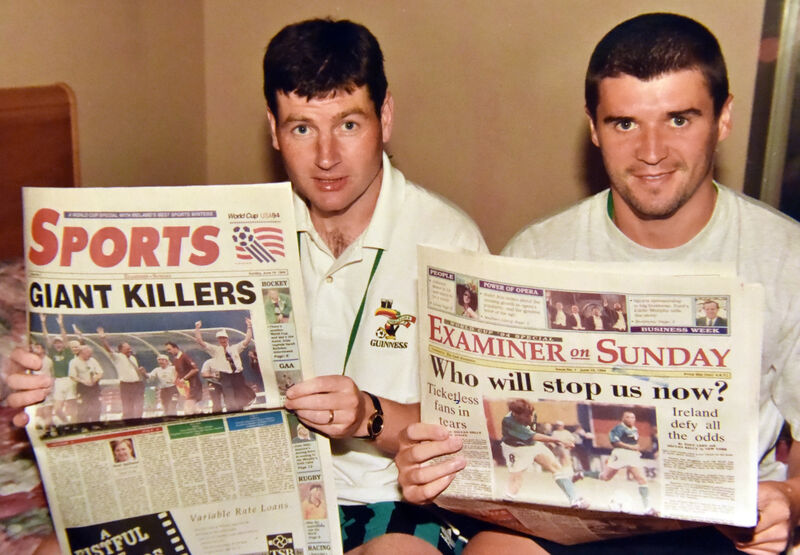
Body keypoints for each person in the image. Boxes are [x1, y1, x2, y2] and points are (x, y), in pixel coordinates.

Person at [397, 12, 800, 555]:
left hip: (718, 529)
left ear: (723, 119)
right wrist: (433, 460)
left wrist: (790, 500)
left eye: (679, 119)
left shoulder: (784, 256)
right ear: (593, 127)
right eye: (625, 123)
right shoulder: (537, 251)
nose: (651, 151)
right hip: (567, 520)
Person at [264, 18, 489, 554]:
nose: (325, 157)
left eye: (347, 125)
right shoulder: (246, 232)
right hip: (269, 494)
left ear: (384, 117)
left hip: (393, 499)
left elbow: (475, 426)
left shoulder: (448, 241)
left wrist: (369, 415)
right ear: (272, 129)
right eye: (301, 128)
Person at [499, 399, 587, 508]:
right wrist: (559, 440)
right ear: (515, 414)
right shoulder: (508, 422)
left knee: (556, 468)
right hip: (515, 450)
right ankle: (507, 501)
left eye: (530, 415)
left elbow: (534, 435)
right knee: (516, 481)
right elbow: (534, 436)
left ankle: (574, 500)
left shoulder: (531, 413)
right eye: (526, 416)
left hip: (533, 445)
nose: (530, 418)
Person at [576, 411, 656, 515]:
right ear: (623, 419)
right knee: (605, 477)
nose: (631, 419)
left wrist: (635, 449)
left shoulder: (634, 429)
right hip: (620, 455)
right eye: (628, 417)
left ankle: (647, 508)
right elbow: (614, 442)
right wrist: (630, 447)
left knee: (642, 479)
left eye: (633, 417)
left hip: (631, 456)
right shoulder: (618, 428)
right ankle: (583, 474)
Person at [194, 319, 253, 412]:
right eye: (220, 338)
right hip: (225, 376)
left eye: (224, 338)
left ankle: (241, 412)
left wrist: (249, 326)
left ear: (227, 339)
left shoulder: (235, 348)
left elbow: (247, 340)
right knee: (229, 398)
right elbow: (200, 341)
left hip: (238, 375)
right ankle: (231, 412)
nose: (222, 340)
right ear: (218, 340)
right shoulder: (215, 350)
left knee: (241, 397)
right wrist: (197, 328)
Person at [97, 327, 147, 420]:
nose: (129, 350)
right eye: (127, 348)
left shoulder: (133, 358)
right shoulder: (118, 357)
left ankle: (139, 421)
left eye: (130, 348)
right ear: (121, 350)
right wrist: (103, 338)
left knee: (139, 405)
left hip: (137, 384)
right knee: (127, 406)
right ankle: (129, 422)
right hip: (126, 385)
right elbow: (108, 349)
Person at [165, 341, 202, 415]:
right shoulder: (175, 359)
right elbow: (177, 371)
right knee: (194, 408)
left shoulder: (184, 356)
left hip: (193, 385)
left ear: (175, 348)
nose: (168, 352)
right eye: (167, 350)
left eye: (169, 349)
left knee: (188, 408)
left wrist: (184, 378)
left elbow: (195, 369)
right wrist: (176, 380)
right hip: (186, 387)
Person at [68, 345, 103, 422]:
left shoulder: (93, 360)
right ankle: (84, 425)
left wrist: (96, 378)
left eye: (91, 353)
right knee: (83, 407)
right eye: (88, 353)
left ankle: (96, 424)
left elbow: (100, 372)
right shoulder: (74, 362)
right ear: (82, 353)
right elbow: (72, 376)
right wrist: (84, 381)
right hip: (82, 387)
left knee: (96, 405)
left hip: (94, 387)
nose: (90, 355)